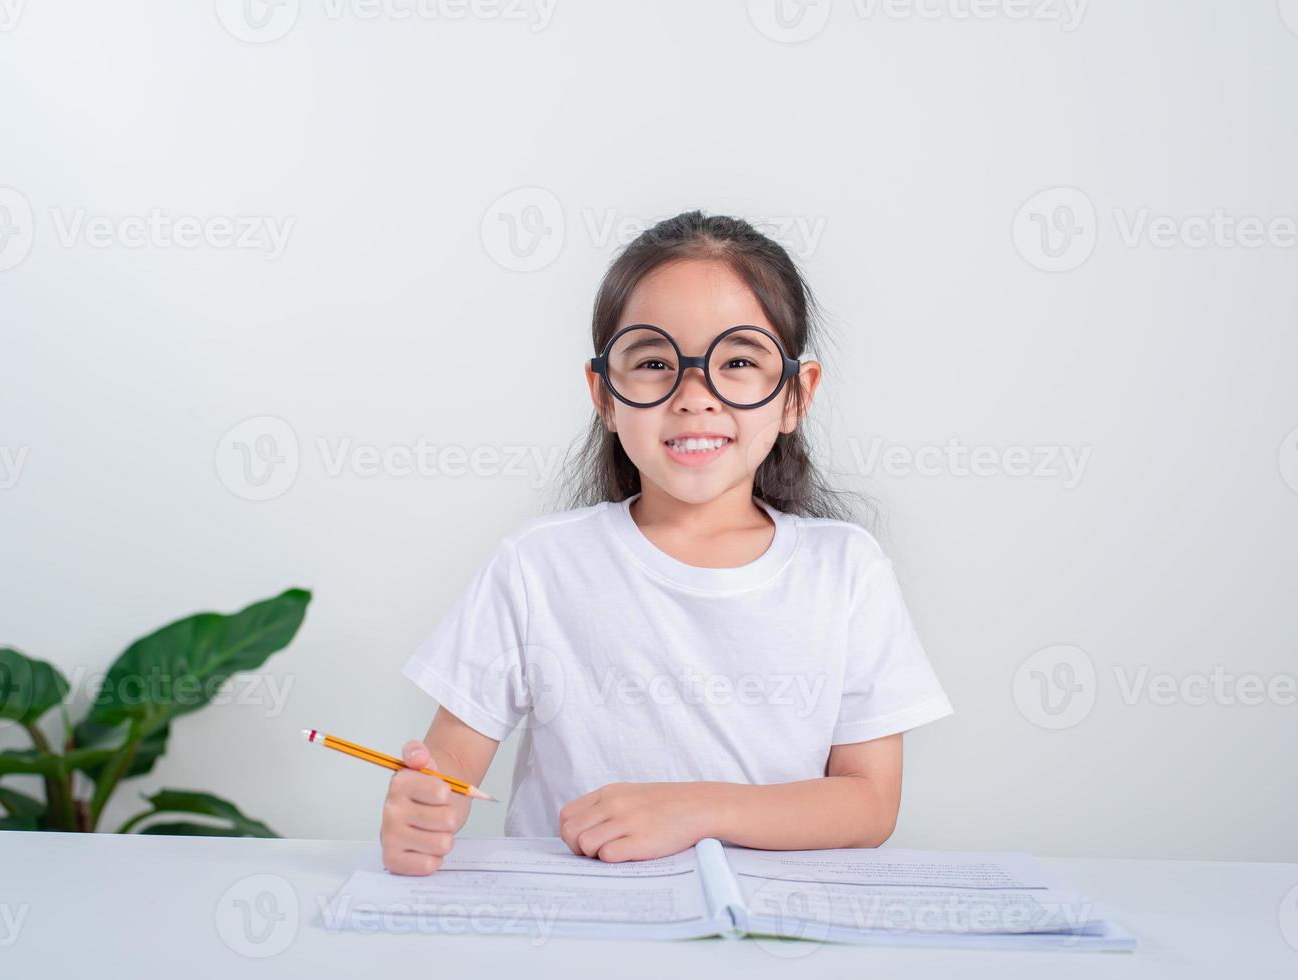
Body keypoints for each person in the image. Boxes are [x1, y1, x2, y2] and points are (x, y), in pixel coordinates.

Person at [379, 210, 954, 875]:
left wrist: (694, 809)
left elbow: (870, 804)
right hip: (571, 923)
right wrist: (424, 806)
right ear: (605, 394)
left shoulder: (847, 570)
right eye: (654, 362)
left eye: (738, 360)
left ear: (796, 394)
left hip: (763, 924)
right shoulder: (539, 565)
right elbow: (448, 763)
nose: (694, 394)